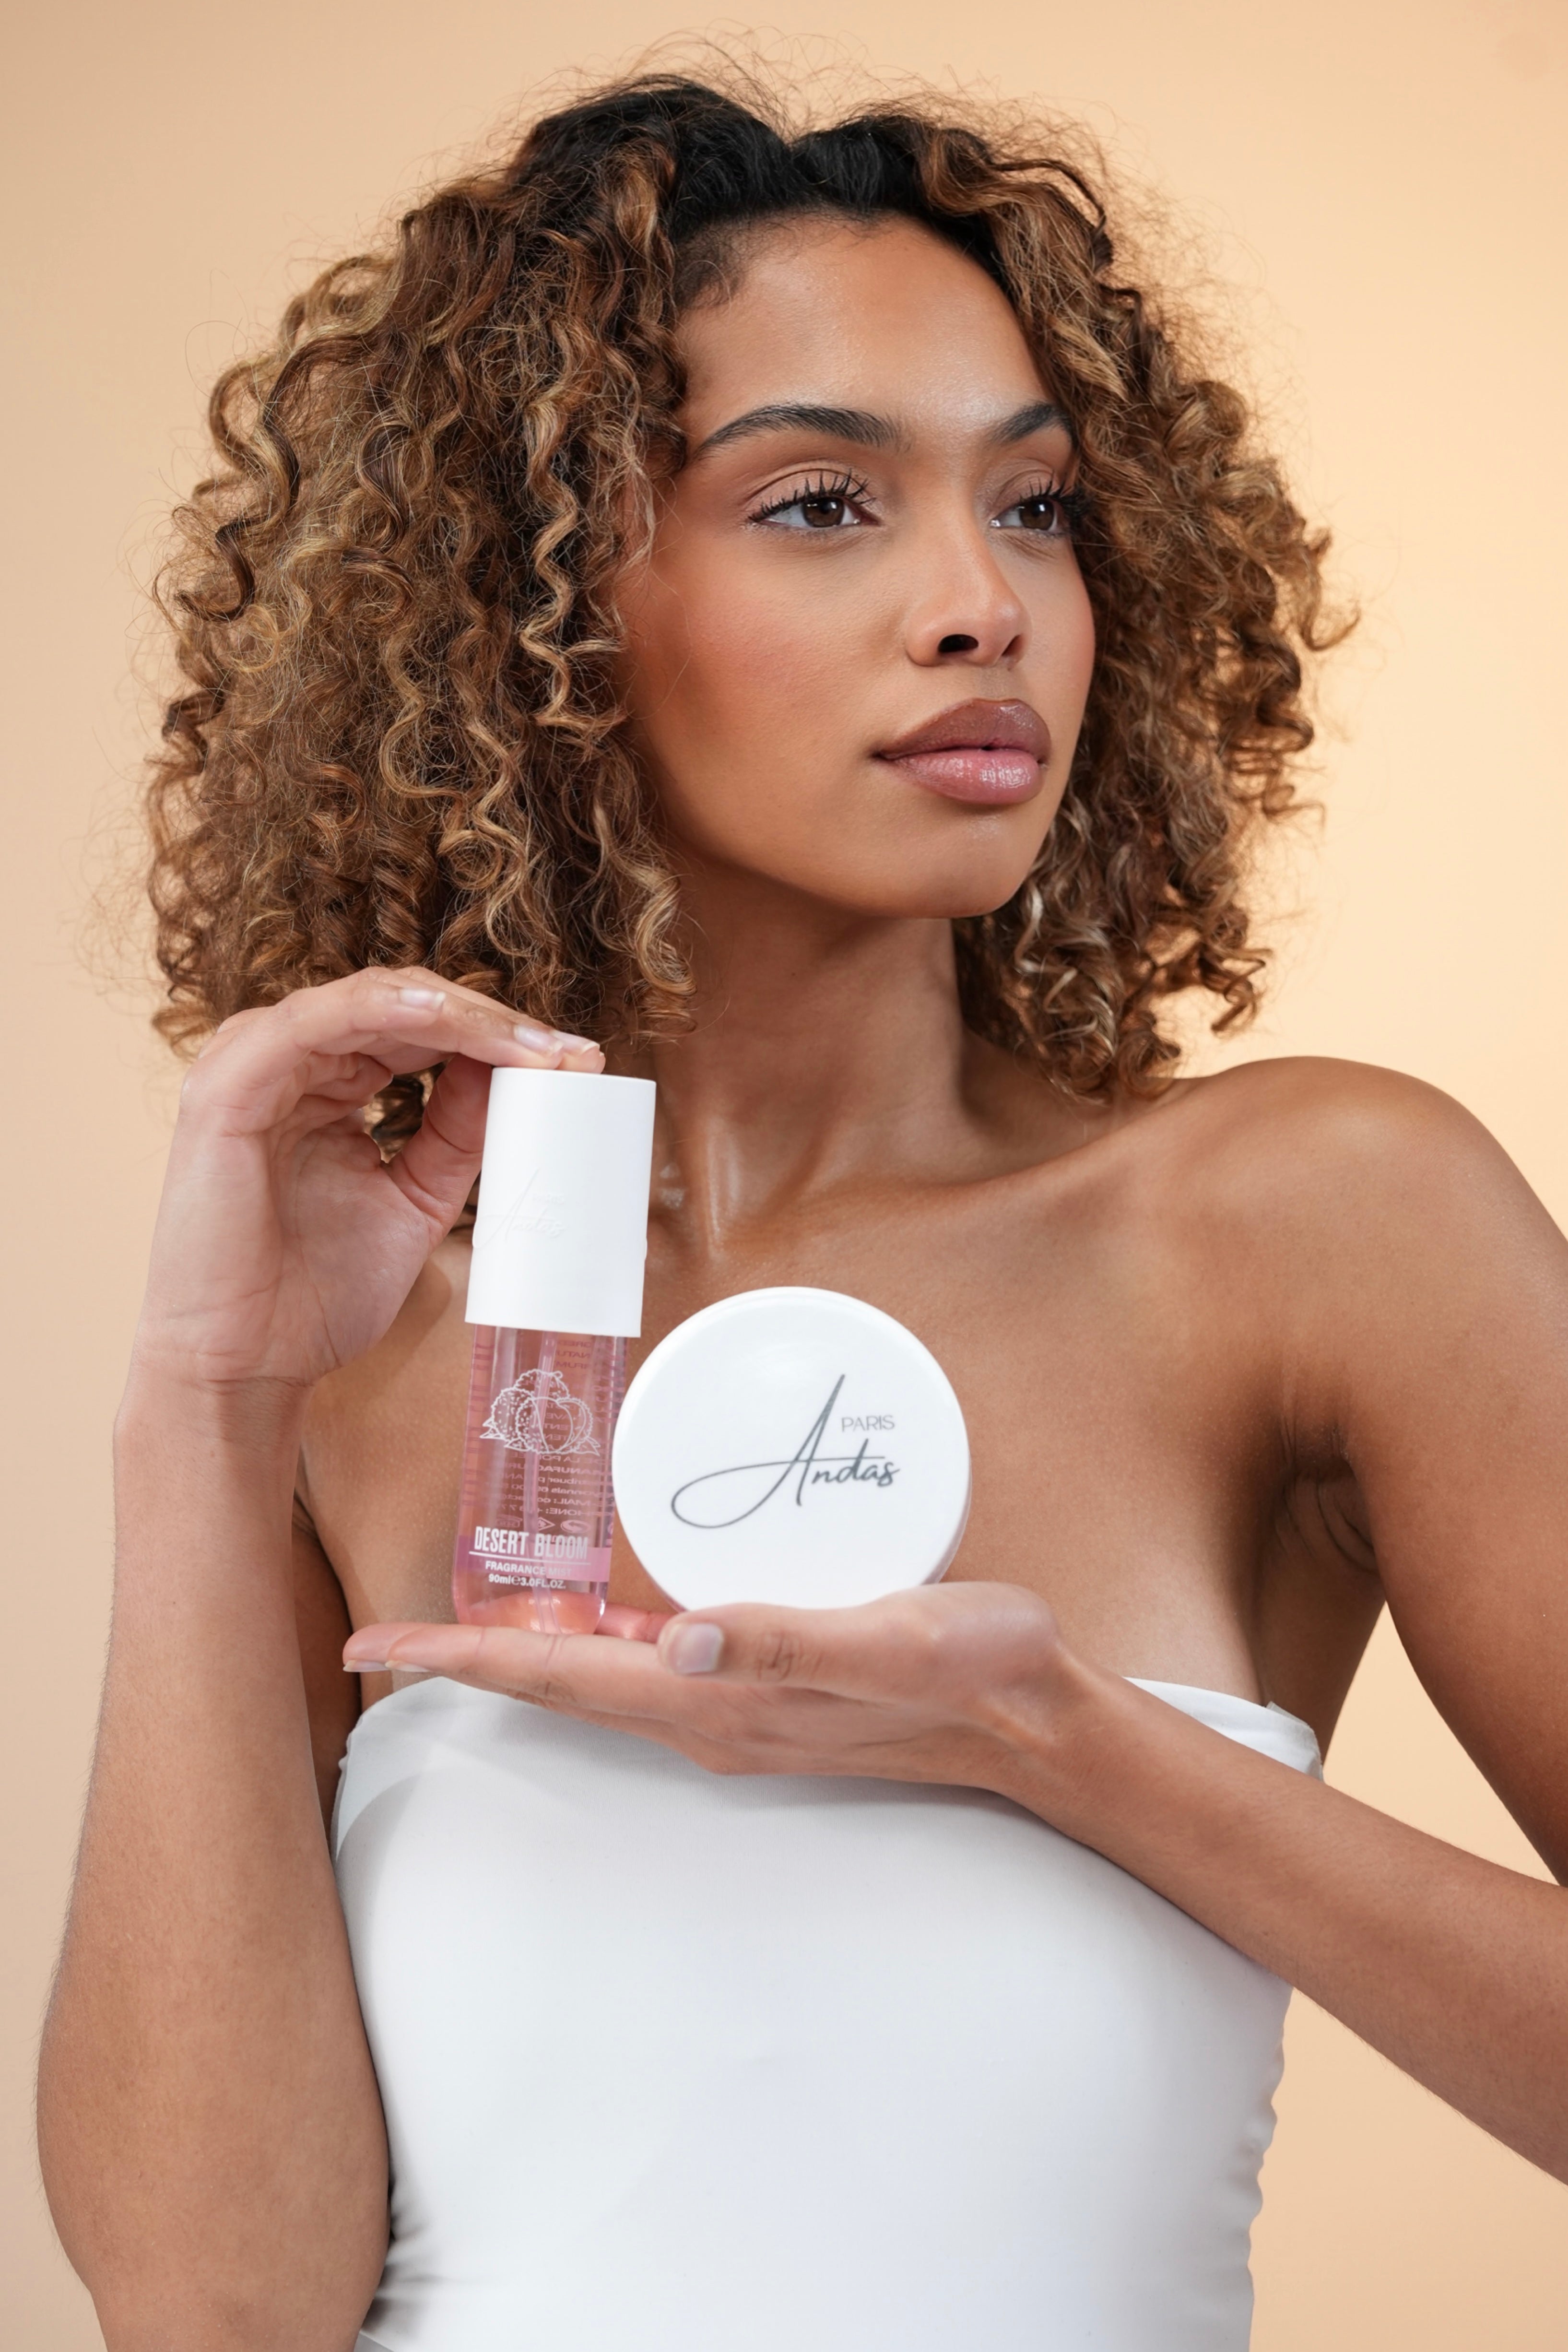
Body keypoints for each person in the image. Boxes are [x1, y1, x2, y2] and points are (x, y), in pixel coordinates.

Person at [36, 66, 1568, 2352]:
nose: (979, 603)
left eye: (1034, 505)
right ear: (532, 604)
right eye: (823, 501)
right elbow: (210, 2307)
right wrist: (196, 1400)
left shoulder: (1305, 1225)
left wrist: (1048, 1738)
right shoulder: (363, 1336)